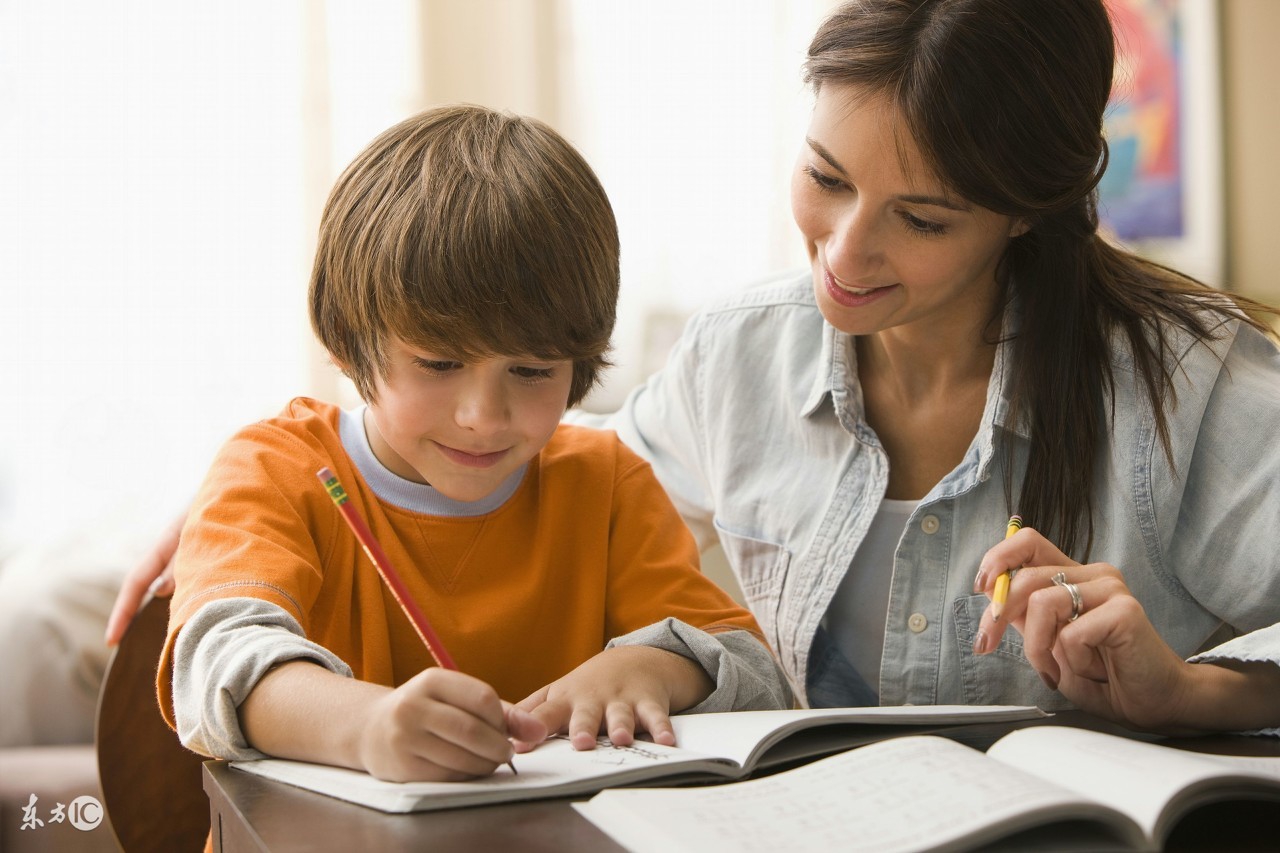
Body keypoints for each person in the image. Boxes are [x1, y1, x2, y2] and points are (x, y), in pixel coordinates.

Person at [102, 0, 1280, 735]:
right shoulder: (738, 355)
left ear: (1024, 214)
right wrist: (240, 493)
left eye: (921, 219)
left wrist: (1191, 690)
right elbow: (521, 444)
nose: (844, 253)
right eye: (824, 177)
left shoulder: (1192, 386)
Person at [155, 104, 789, 784]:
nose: (484, 417)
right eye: (438, 364)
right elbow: (215, 664)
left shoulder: (604, 483)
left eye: (532, 370)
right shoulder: (274, 469)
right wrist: (366, 726)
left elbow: (751, 670)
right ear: (346, 337)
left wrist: (653, 667)